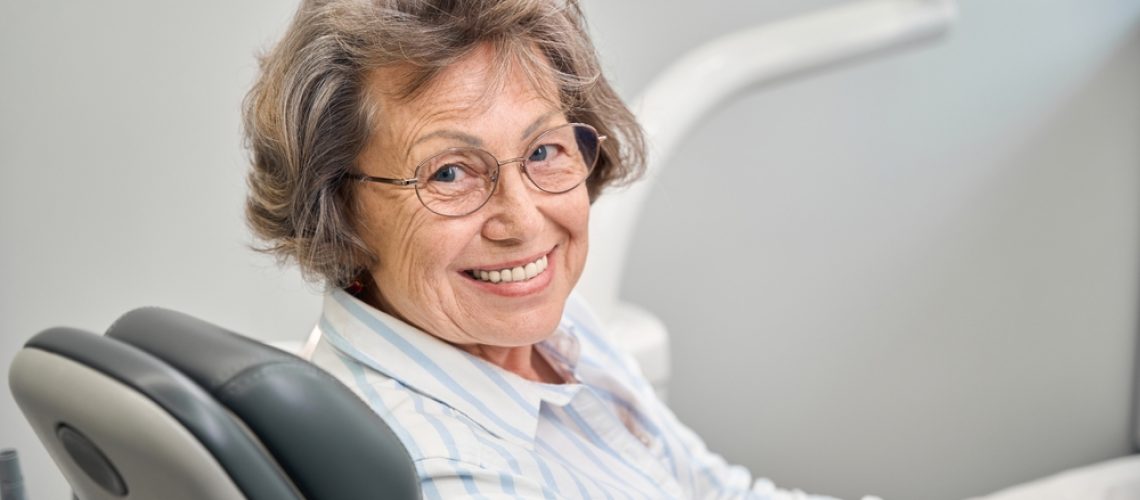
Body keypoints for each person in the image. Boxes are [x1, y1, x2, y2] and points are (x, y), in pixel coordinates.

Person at [243, 1, 875, 498]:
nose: (523, 220)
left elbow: (708, 489)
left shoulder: (532, 326)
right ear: (335, 206)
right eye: (449, 173)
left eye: (544, 151)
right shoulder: (447, 474)